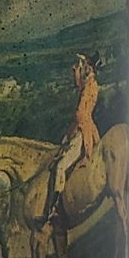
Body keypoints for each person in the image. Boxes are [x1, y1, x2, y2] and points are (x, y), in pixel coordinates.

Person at [46, 50, 101, 219]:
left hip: (82, 130)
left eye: (85, 65)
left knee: (61, 166)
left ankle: (56, 208)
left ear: (90, 68)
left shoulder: (91, 86)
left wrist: (73, 128)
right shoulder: (89, 83)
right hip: (80, 127)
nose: (83, 68)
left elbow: (80, 113)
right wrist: (77, 69)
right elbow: (79, 84)